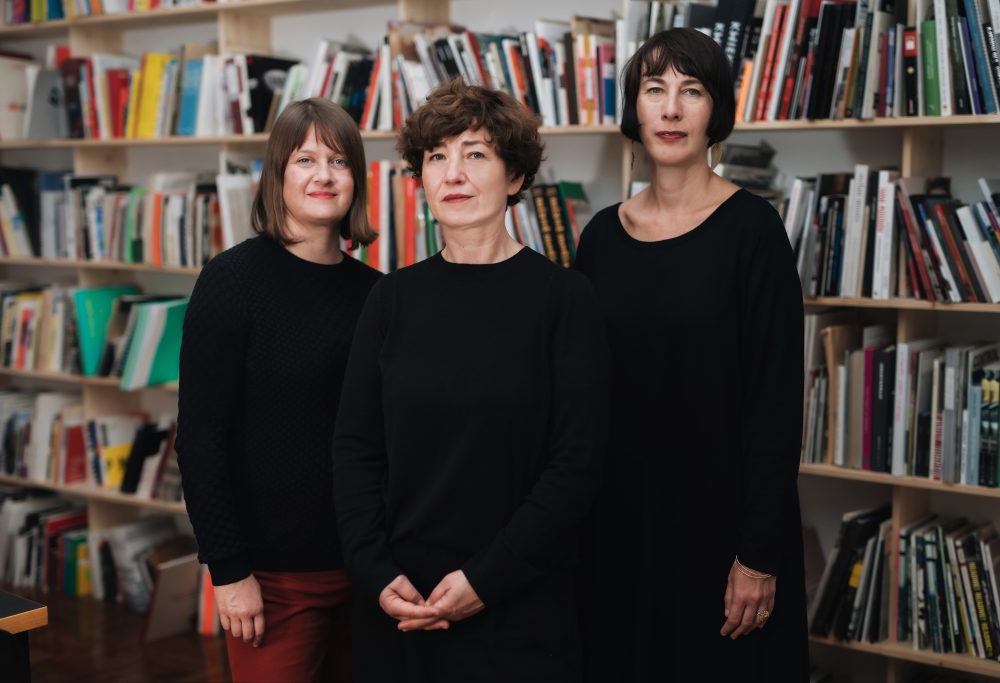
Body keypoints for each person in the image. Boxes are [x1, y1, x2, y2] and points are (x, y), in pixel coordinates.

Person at [332, 80, 611, 683]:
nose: (453, 173)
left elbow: (576, 465)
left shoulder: (565, 300)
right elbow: (356, 451)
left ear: (515, 177)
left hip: (520, 607)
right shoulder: (390, 300)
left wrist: (486, 579)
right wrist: (376, 574)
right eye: (437, 157)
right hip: (401, 605)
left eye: (476, 153)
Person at [574, 28, 808, 682]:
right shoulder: (600, 237)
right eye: (654, 89)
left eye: (692, 90)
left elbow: (776, 402)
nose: (671, 109)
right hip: (616, 524)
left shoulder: (754, 232)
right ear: (634, 108)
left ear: (715, 110)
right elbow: (581, 390)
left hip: (721, 531)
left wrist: (758, 555)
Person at [177, 98, 381, 683]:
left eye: (339, 162)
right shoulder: (231, 280)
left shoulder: (378, 293)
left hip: (369, 569)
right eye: (305, 160)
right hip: (273, 578)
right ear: (278, 174)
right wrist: (229, 570)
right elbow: (200, 439)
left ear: (356, 180)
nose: (324, 175)